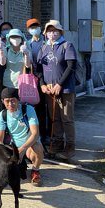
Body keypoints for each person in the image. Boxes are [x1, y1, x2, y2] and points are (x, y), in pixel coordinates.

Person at [36, 20, 77, 160]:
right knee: (55, 118)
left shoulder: (67, 45)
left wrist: (60, 84)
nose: (52, 33)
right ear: (45, 33)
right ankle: (57, 143)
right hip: (49, 89)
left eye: (55, 31)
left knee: (67, 118)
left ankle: (70, 146)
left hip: (65, 88)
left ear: (60, 32)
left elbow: (71, 66)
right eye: (49, 31)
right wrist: (42, 84)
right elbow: (39, 69)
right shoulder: (44, 48)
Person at [0, 88, 44, 186]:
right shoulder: (3, 115)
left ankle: (35, 170)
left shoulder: (28, 109)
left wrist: (22, 149)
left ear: (19, 99)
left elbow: (35, 134)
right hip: (14, 147)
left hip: (29, 145)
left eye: (13, 100)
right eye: (7, 101)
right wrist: (6, 154)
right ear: (2, 101)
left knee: (38, 147)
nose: (10, 104)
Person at [26, 18, 48, 144]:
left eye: (36, 26)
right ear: (28, 30)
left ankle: (45, 134)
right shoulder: (28, 44)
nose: (34, 29)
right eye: (31, 27)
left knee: (44, 108)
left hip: (46, 79)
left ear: (40, 28)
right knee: (33, 108)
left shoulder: (46, 42)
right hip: (32, 79)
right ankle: (35, 133)